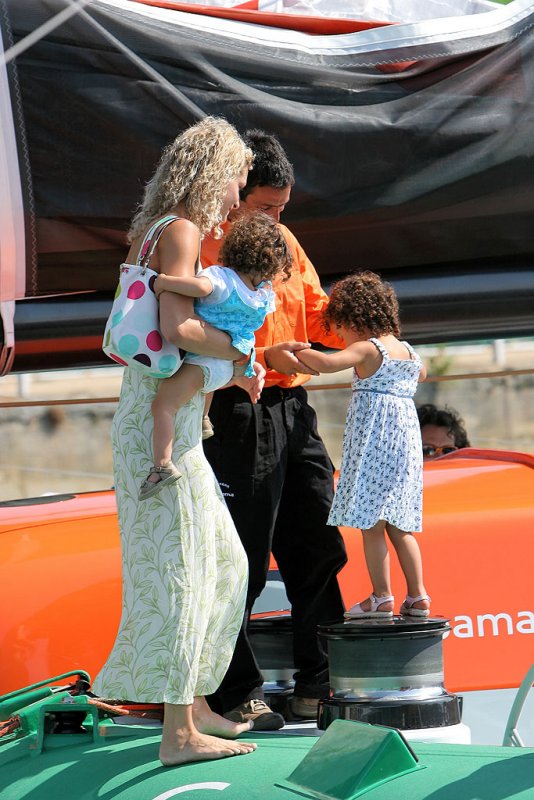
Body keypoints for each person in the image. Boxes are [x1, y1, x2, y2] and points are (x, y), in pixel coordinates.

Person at [92, 117, 259, 767]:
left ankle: (194, 708)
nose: (237, 194)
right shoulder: (182, 231)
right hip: (159, 432)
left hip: (165, 424)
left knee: (225, 564)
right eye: (238, 178)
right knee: (185, 575)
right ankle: (178, 735)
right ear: (216, 172)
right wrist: (243, 349)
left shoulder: (161, 229)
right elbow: (180, 323)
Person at [201, 130, 348, 729]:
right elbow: (179, 334)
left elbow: (318, 315)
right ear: (232, 189)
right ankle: (233, 690)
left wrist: (370, 329)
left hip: (291, 409)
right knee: (242, 558)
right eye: (264, 205)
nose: (275, 219)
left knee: (319, 541)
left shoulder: (283, 239)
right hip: (236, 409)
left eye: (282, 209)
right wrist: (262, 358)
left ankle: (322, 682)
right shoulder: (202, 241)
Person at [296, 271, 431, 620]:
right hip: (405, 445)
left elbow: (327, 364)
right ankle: (417, 596)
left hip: (374, 445)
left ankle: (381, 596)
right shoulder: (407, 351)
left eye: (338, 327)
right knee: (401, 525)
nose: (338, 335)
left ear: (354, 319)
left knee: (372, 525)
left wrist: (296, 350)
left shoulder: (368, 348)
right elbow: (422, 374)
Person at [138, 211, 293, 500]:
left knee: (163, 405)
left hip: (205, 359)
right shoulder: (261, 295)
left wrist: (164, 283)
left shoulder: (222, 278)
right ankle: (205, 418)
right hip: (228, 363)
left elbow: (199, 287)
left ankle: (161, 465)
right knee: (203, 386)